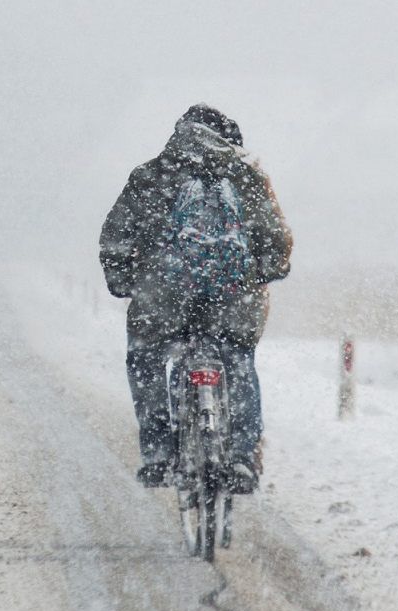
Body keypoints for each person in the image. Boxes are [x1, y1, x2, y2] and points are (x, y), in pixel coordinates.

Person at [99, 104, 292, 492]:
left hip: (163, 301)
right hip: (232, 301)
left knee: (146, 359)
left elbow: (117, 236)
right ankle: (240, 458)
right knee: (237, 360)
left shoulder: (152, 175)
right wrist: (269, 269)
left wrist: (121, 279)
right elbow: (275, 238)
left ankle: (158, 454)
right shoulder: (247, 177)